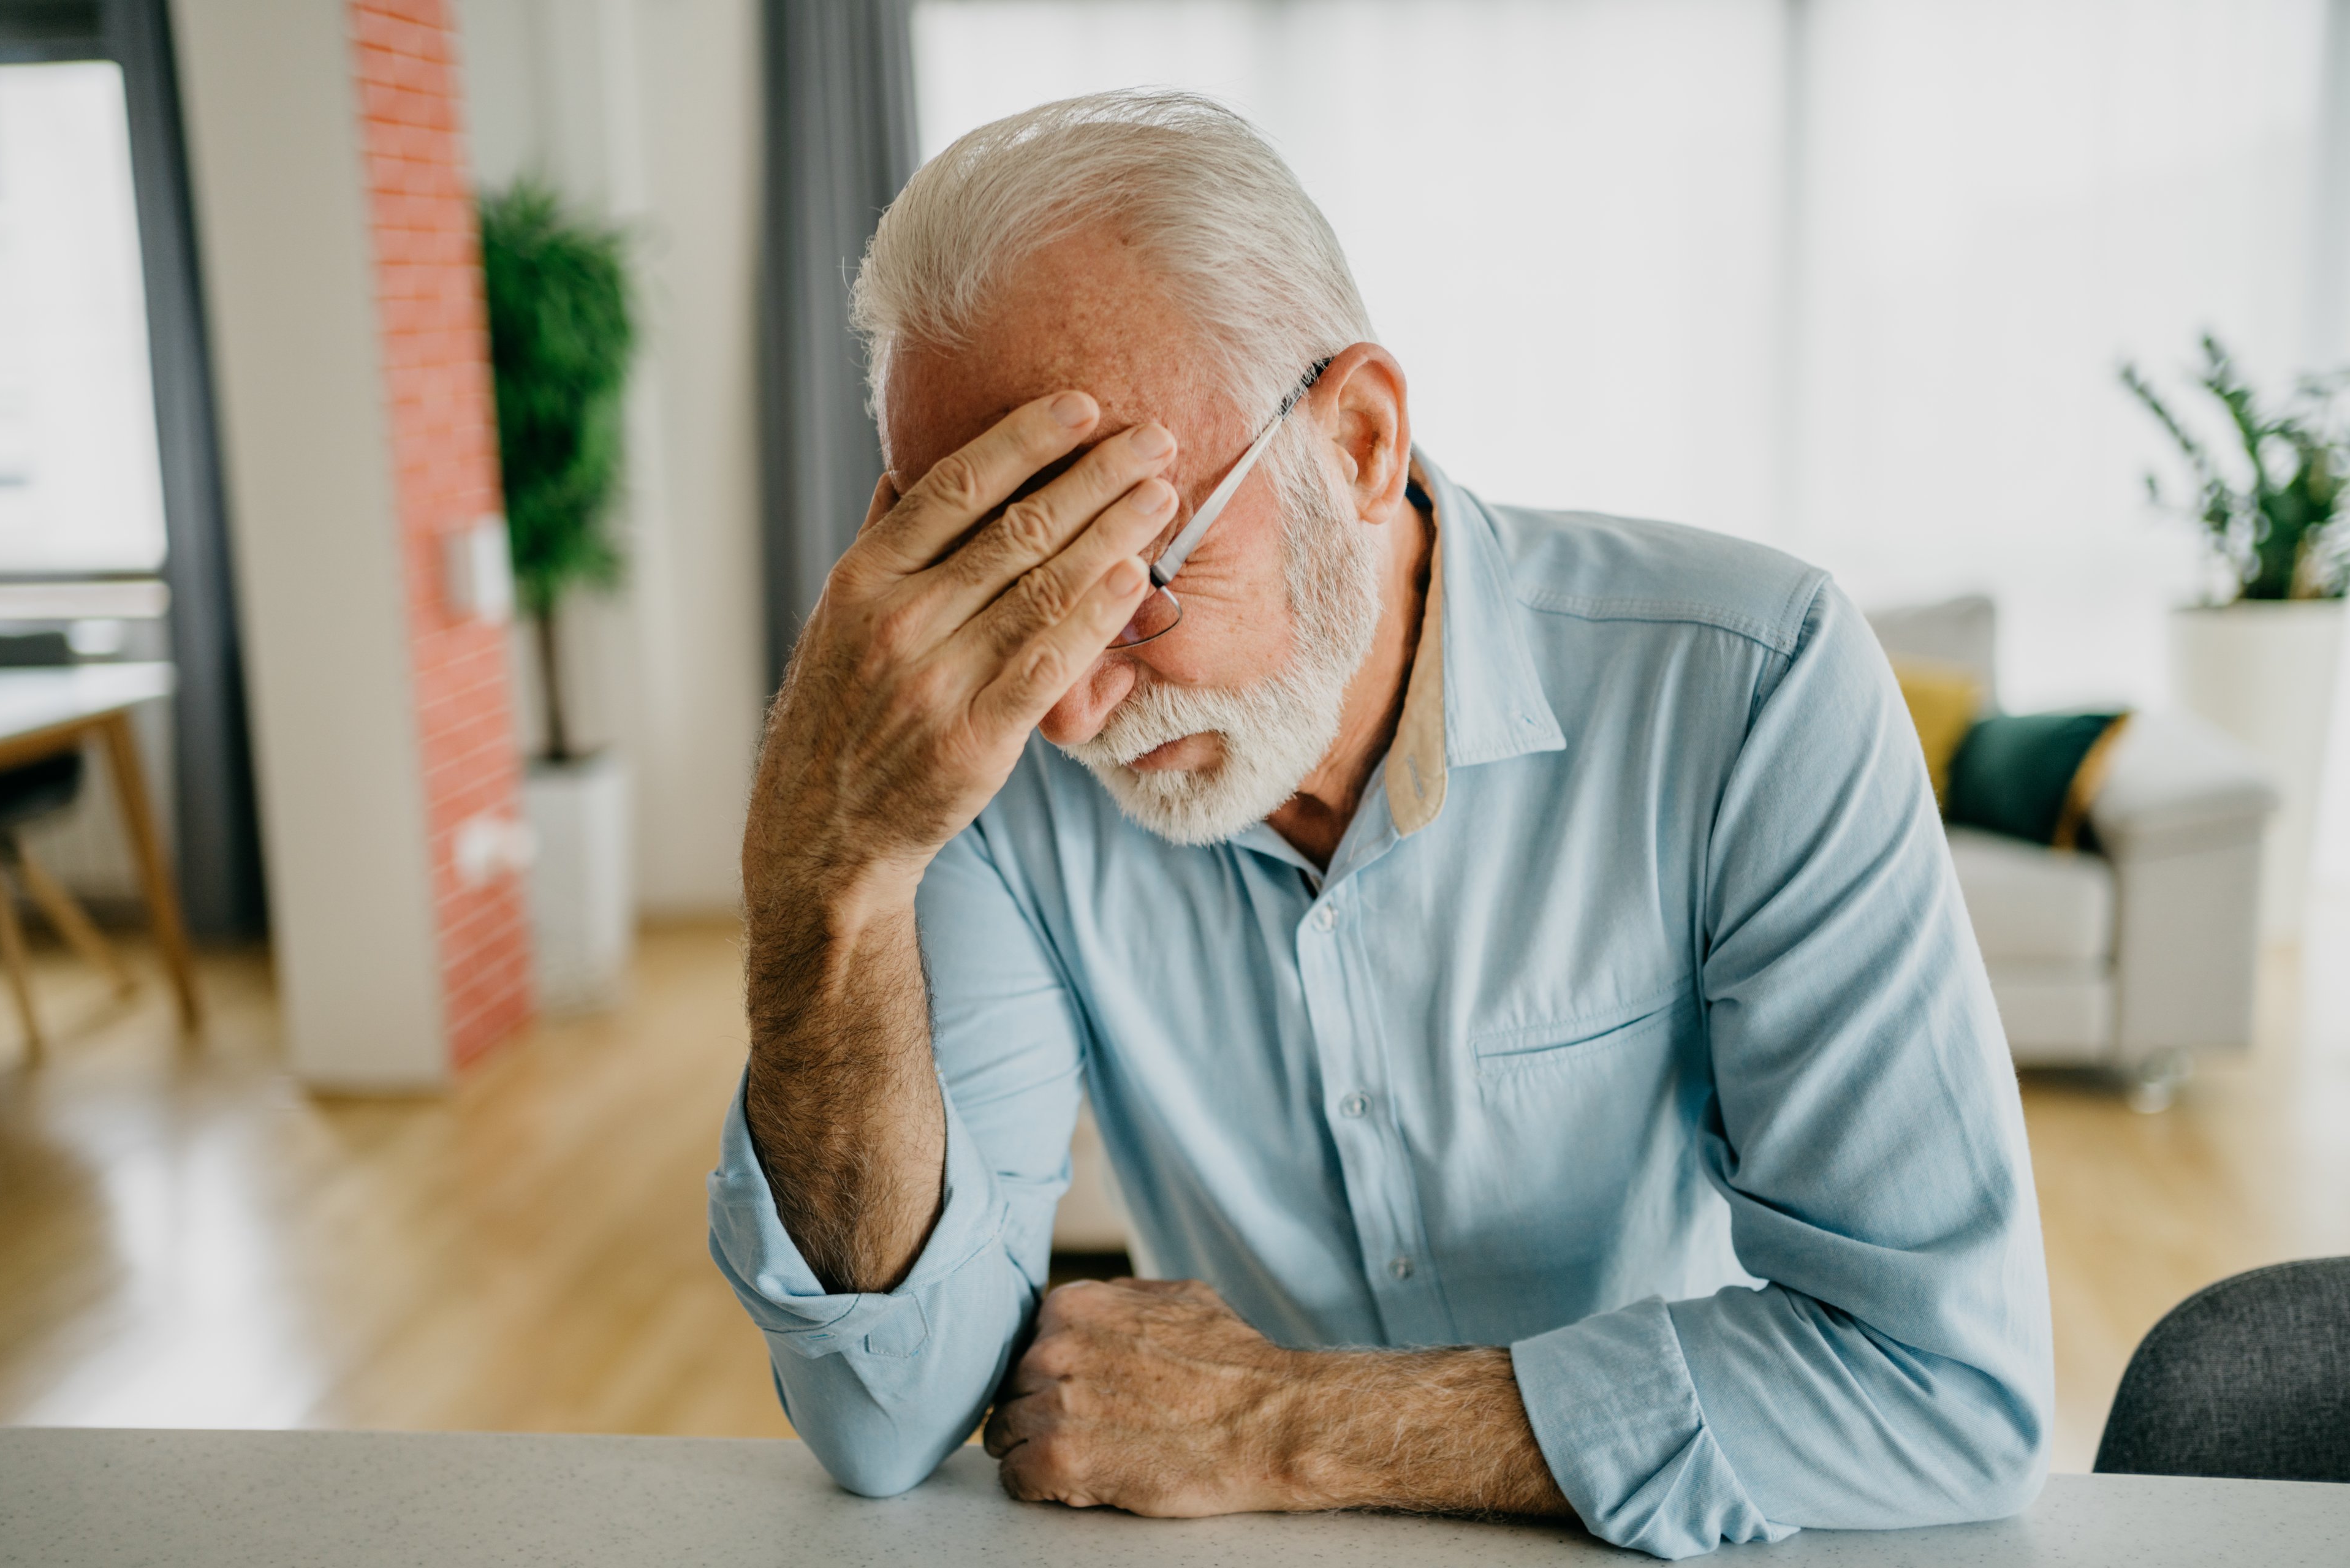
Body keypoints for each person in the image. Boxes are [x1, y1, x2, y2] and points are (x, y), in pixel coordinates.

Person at [709, 90, 2050, 1560]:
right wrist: (824, 877)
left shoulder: (1751, 685)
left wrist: (1285, 1423)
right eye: (1000, 601)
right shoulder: (991, 759)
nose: (1071, 712)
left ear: (1355, 437)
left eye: (1133, 579)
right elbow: (886, 1410)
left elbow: (1942, 1387)